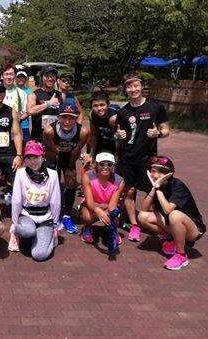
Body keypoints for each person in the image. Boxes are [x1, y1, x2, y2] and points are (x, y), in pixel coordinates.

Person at [115, 72, 170, 242]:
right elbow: (118, 133)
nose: (133, 89)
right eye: (129, 86)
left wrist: (158, 133)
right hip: (126, 158)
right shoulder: (123, 112)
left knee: (152, 191)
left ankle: (156, 222)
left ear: (141, 86)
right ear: (125, 89)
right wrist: (118, 136)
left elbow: (166, 130)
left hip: (148, 159)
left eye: (136, 85)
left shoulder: (156, 107)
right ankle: (134, 225)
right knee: (129, 192)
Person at [137, 156, 206, 270]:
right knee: (142, 216)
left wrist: (158, 189)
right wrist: (154, 189)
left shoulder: (177, 185)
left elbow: (168, 209)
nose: (155, 175)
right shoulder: (154, 184)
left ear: (169, 174)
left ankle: (181, 255)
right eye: (153, 171)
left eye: (160, 172)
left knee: (174, 215)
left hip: (192, 228)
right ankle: (172, 239)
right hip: (171, 223)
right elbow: (144, 209)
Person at [9, 140, 61, 261]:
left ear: (42, 157)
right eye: (29, 158)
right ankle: (20, 235)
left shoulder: (53, 175)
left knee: (39, 255)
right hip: (27, 215)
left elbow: (55, 201)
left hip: (45, 218)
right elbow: (16, 200)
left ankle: (49, 237)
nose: (32, 161)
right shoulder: (20, 174)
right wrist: (14, 225)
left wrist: (55, 225)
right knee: (28, 231)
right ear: (24, 160)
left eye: (36, 157)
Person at [43, 104, 89, 234]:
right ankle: (51, 212)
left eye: (71, 118)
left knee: (71, 181)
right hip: (53, 156)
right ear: (58, 117)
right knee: (52, 183)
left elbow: (76, 152)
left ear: (76, 118)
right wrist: (53, 169)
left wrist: (70, 167)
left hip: (70, 156)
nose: (67, 121)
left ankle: (67, 215)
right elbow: (50, 150)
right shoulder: (49, 130)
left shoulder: (83, 132)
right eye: (64, 117)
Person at [80, 152, 125, 251]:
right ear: (96, 164)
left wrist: (110, 214)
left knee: (115, 215)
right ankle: (87, 227)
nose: (105, 167)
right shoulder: (87, 176)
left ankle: (112, 229)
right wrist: (98, 210)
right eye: (102, 163)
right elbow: (89, 202)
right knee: (86, 217)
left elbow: (112, 205)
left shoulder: (120, 181)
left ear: (113, 166)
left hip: (108, 207)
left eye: (109, 164)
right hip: (92, 206)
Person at [27, 66, 61, 141]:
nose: (50, 78)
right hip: (38, 138)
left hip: (57, 138)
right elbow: (30, 111)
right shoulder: (33, 94)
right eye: (47, 76)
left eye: (52, 76)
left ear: (56, 78)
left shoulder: (60, 95)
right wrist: (49, 103)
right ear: (42, 77)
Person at [88, 90, 118, 157]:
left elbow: (119, 138)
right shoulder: (92, 115)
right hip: (102, 138)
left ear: (108, 105)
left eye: (102, 105)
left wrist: (118, 155)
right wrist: (92, 154)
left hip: (115, 140)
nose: (99, 108)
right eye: (95, 106)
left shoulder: (114, 117)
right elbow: (93, 135)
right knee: (89, 139)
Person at [14, 67, 33, 144]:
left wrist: (24, 115)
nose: (21, 79)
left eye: (23, 77)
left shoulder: (29, 91)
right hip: (14, 120)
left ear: (26, 79)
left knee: (26, 141)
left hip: (25, 120)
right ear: (15, 79)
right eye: (19, 77)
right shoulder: (12, 90)